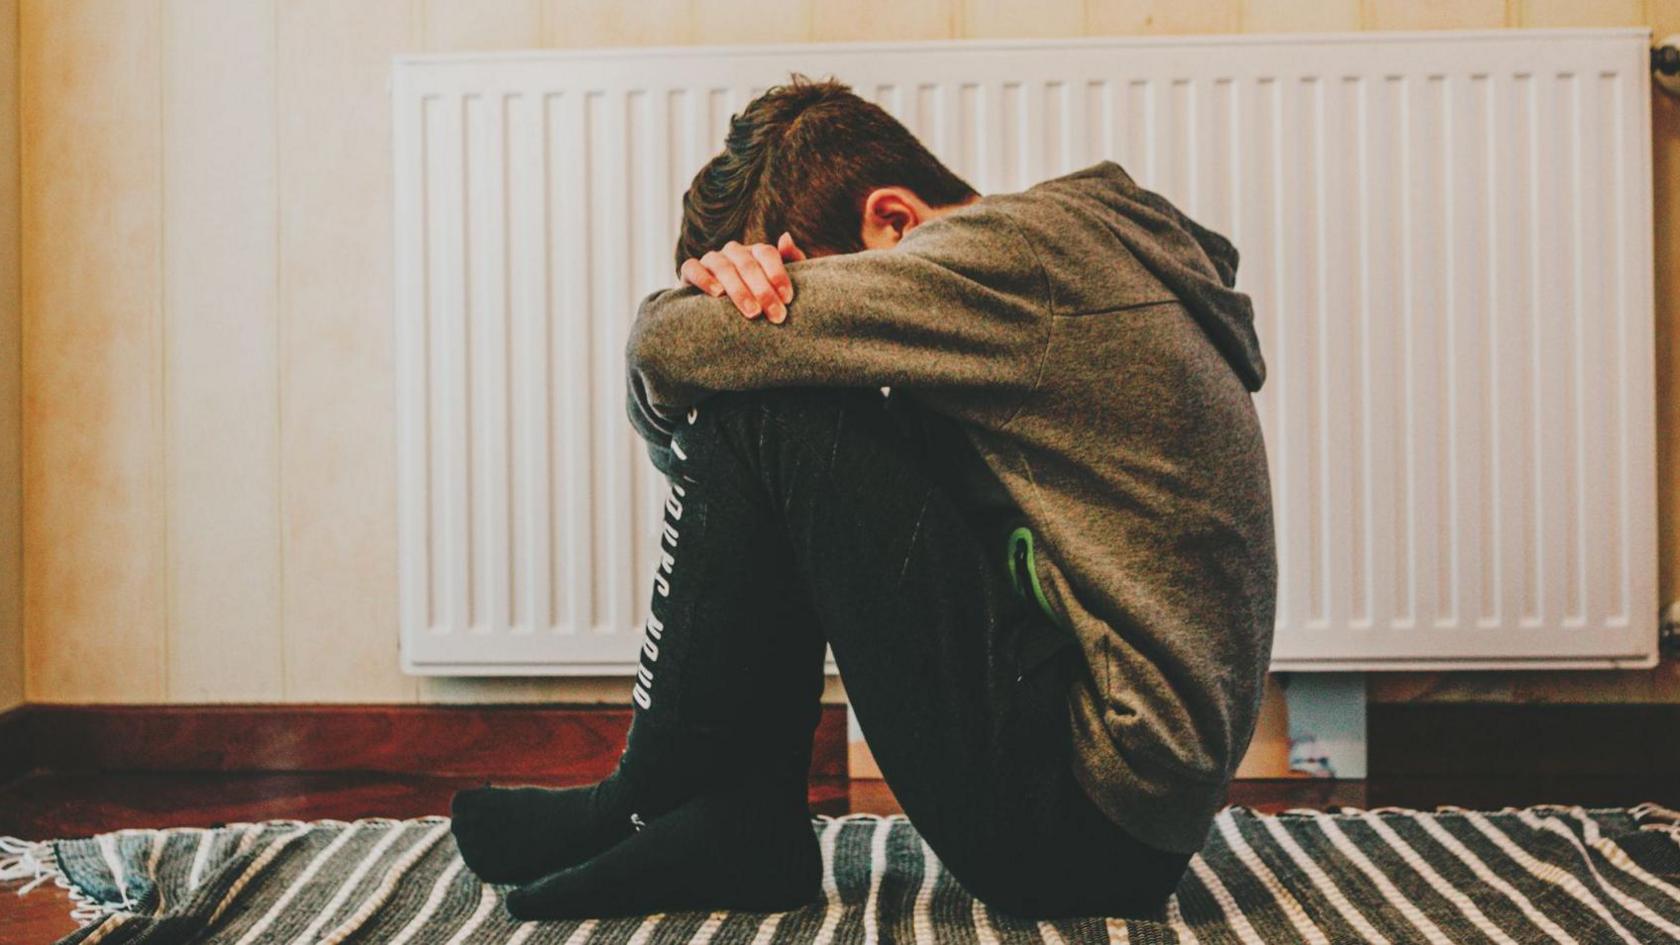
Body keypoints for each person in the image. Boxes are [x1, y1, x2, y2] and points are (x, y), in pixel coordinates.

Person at [448, 76, 1277, 922]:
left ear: (894, 220)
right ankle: (706, 810)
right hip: (1117, 807)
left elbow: (672, 342)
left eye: (810, 283)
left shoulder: (1014, 258)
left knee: (774, 400)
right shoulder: (1063, 255)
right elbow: (716, 434)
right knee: (780, 389)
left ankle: (662, 802)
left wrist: (701, 326)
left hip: (1083, 823)